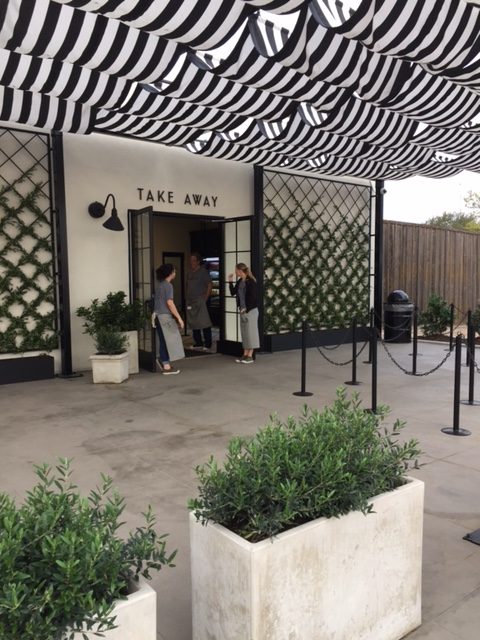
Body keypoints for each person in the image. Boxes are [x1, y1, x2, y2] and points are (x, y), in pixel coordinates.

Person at [153, 263, 185, 375]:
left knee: (163, 341)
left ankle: (165, 363)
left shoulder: (160, 285)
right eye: (174, 271)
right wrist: (179, 318)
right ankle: (166, 366)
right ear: (171, 273)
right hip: (164, 317)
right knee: (169, 341)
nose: (175, 273)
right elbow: (170, 303)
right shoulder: (168, 286)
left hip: (157, 316)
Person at [228, 263, 259, 364]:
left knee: (251, 333)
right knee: (245, 333)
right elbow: (233, 292)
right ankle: (245, 354)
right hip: (242, 310)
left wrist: (246, 309)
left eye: (236, 270)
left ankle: (250, 356)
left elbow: (253, 298)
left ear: (240, 271)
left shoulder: (251, 282)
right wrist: (230, 281)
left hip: (251, 311)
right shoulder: (240, 281)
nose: (235, 272)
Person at [186, 252, 213, 351]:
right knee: (193, 322)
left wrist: (205, 298)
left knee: (204, 322)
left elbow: (210, 285)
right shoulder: (189, 272)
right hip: (190, 301)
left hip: (200, 300)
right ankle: (198, 342)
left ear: (198, 261)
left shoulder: (203, 272)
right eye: (190, 260)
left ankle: (208, 343)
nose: (191, 262)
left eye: (193, 260)